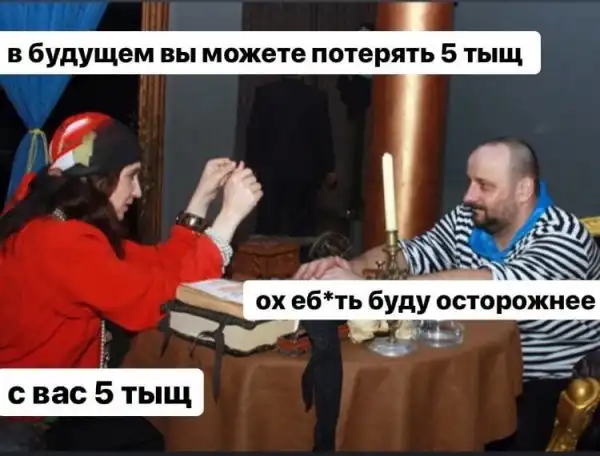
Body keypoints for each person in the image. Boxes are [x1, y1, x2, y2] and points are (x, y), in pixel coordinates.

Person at [294, 137, 600, 451]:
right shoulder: (468, 219)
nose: (468, 196)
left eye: (484, 185)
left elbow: (498, 294)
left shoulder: (564, 238)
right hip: (474, 370)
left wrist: (373, 292)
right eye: (470, 182)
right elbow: (411, 253)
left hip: (544, 383)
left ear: (523, 189)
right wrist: (351, 268)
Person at [0, 112, 262, 451]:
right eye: (131, 176)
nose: (137, 192)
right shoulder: (60, 242)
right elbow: (163, 300)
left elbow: (157, 265)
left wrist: (201, 200)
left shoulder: (58, 224)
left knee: (163, 418)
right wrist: (227, 221)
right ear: (99, 180)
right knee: (176, 419)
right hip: (26, 418)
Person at [245, 75, 336, 237]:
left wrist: (252, 165)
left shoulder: (266, 93)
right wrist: (329, 168)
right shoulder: (316, 97)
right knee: (301, 228)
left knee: (268, 224)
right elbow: (322, 136)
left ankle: (265, 253)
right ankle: (300, 253)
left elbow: (255, 132)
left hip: (271, 171)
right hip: (305, 172)